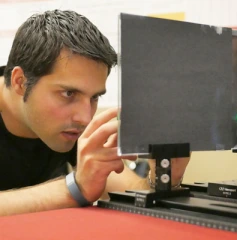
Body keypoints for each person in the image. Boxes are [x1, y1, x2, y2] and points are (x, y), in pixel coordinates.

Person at [0, 9, 189, 216]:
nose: (85, 117)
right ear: (20, 82)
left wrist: (164, 176)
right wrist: (75, 189)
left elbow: (134, 193)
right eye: (68, 93)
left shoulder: (72, 123)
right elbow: (82, 187)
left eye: (94, 97)